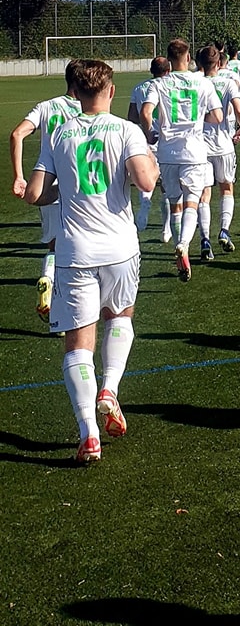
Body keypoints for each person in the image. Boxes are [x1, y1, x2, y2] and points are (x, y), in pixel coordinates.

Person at [23, 59, 159, 463]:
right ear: (111, 91)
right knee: (120, 316)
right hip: (119, 248)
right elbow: (145, 181)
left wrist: (62, 192)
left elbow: (36, 193)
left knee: (78, 343)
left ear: (76, 93)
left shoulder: (59, 132)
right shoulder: (126, 130)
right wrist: (149, 165)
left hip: (74, 250)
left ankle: (88, 433)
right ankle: (109, 389)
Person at [140, 38, 223, 282]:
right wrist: (200, 119)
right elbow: (218, 116)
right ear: (188, 58)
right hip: (194, 152)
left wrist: (149, 132)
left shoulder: (159, 83)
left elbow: (146, 112)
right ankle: (184, 244)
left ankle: (179, 249)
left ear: (168, 60)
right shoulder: (203, 82)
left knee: (174, 203)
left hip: (167, 153)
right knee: (192, 203)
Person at [9, 60, 81, 325]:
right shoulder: (88, 109)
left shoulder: (46, 106)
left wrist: (19, 176)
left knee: (54, 245)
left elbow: (17, 134)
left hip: (46, 185)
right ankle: (66, 312)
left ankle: (47, 279)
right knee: (77, 252)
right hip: (79, 187)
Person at [195, 44, 240, 261]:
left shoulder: (196, 83)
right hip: (224, 144)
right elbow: (239, 109)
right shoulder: (228, 83)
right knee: (226, 188)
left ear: (199, 63)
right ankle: (224, 230)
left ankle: (205, 240)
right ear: (219, 62)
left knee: (203, 194)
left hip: (200, 147)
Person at [127, 56, 171, 235]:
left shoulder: (139, 88)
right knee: (167, 184)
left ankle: (145, 205)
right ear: (168, 70)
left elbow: (132, 116)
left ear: (151, 70)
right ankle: (166, 227)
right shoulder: (170, 86)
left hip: (146, 138)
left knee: (147, 177)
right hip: (167, 138)